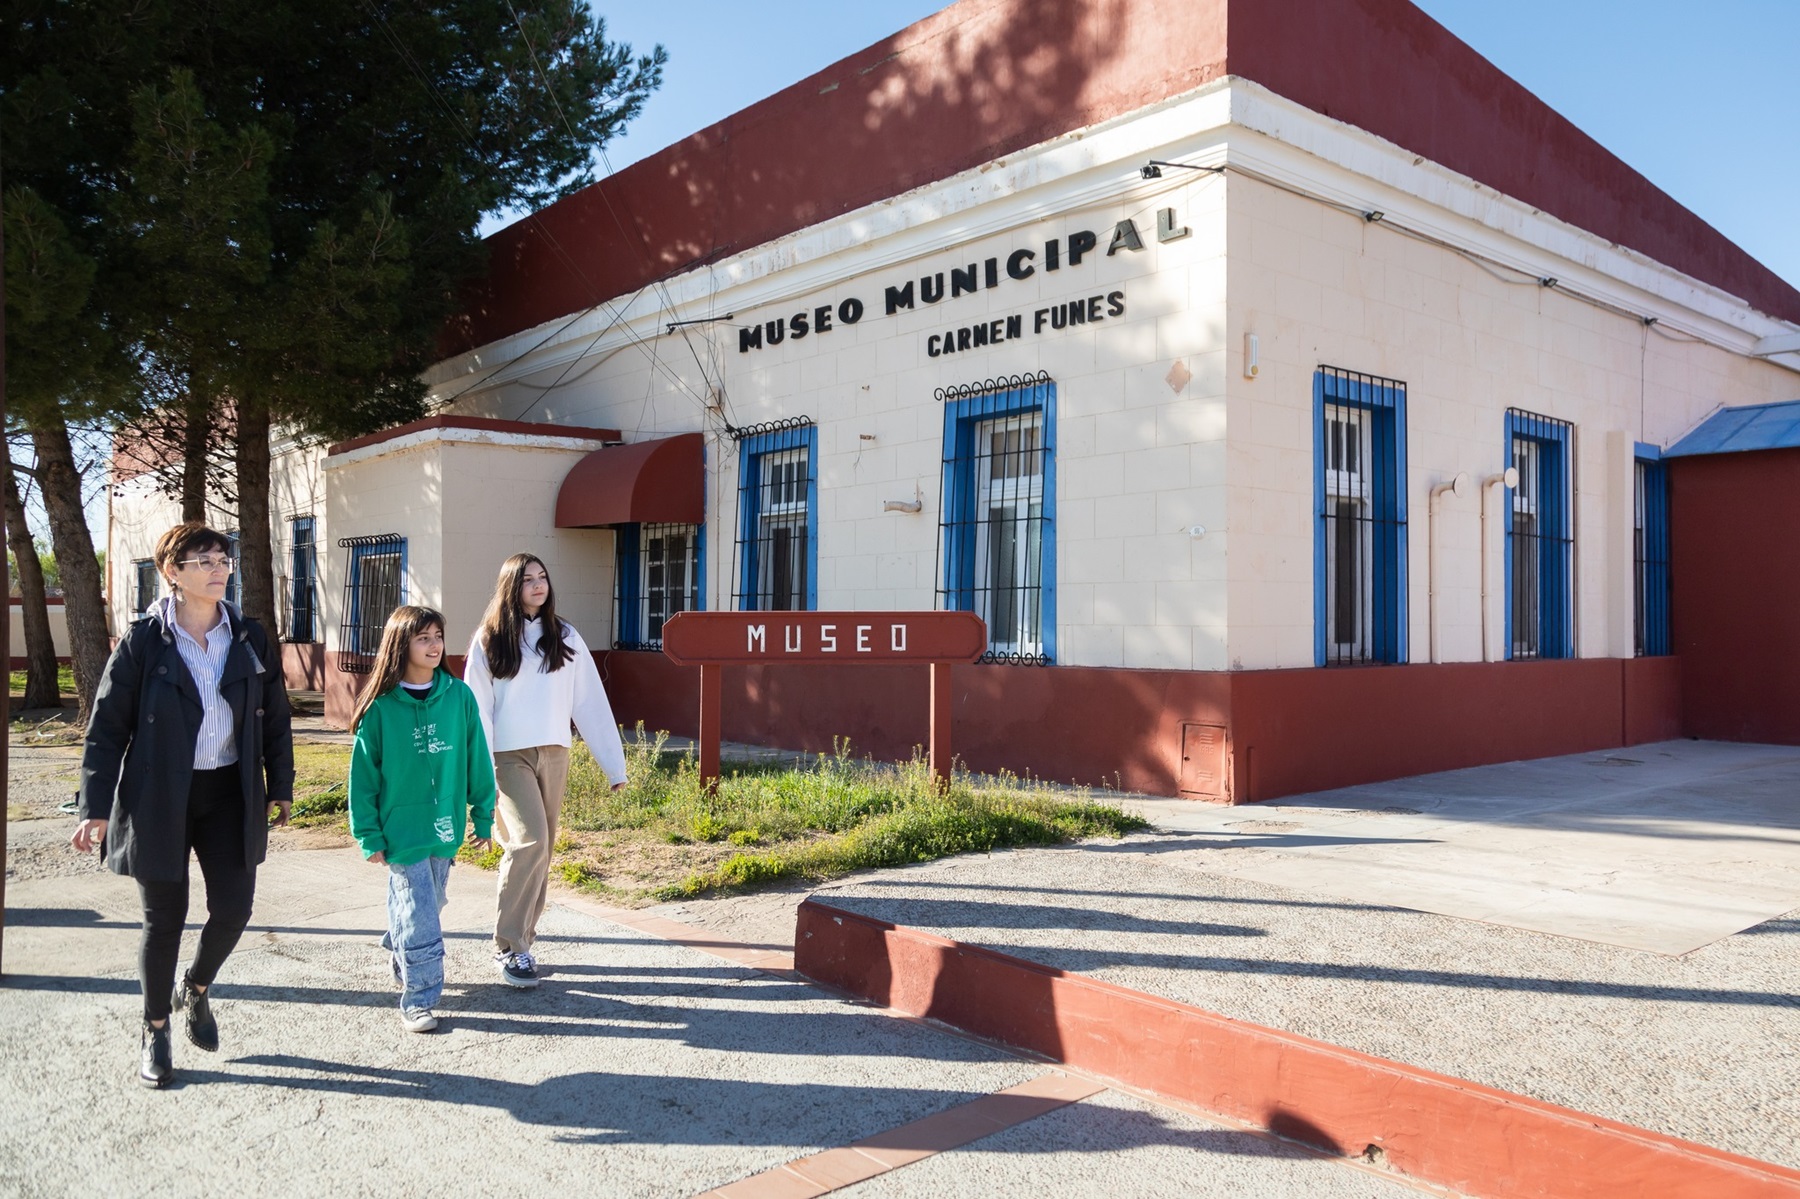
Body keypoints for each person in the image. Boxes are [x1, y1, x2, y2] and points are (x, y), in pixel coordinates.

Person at [73, 521, 294, 1089]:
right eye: (205, 560)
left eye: (224, 559)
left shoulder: (249, 636)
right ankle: (154, 1029)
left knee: (234, 909)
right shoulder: (144, 641)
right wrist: (94, 807)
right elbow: (106, 728)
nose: (220, 568)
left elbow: (275, 718)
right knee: (162, 919)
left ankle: (194, 988)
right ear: (173, 572)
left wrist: (281, 785)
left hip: (228, 792)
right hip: (158, 795)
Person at [463, 553, 626, 988]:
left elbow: (589, 702)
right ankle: (510, 946)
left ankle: (524, 942)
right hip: (506, 756)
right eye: (528, 579)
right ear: (510, 586)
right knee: (529, 840)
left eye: (543, 578)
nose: (538, 585)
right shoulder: (489, 638)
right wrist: (476, 770)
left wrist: (614, 764)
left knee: (543, 849)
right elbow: (475, 708)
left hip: (554, 752)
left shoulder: (564, 636)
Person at [347, 606, 496, 1033]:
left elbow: (477, 761)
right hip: (400, 831)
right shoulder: (379, 710)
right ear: (401, 645)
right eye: (423, 638)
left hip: (444, 827)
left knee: (430, 902)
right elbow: (363, 780)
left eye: (438, 637)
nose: (434, 646)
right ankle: (420, 998)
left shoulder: (458, 697)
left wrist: (483, 817)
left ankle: (401, 941)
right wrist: (369, 835)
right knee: (421, 912)